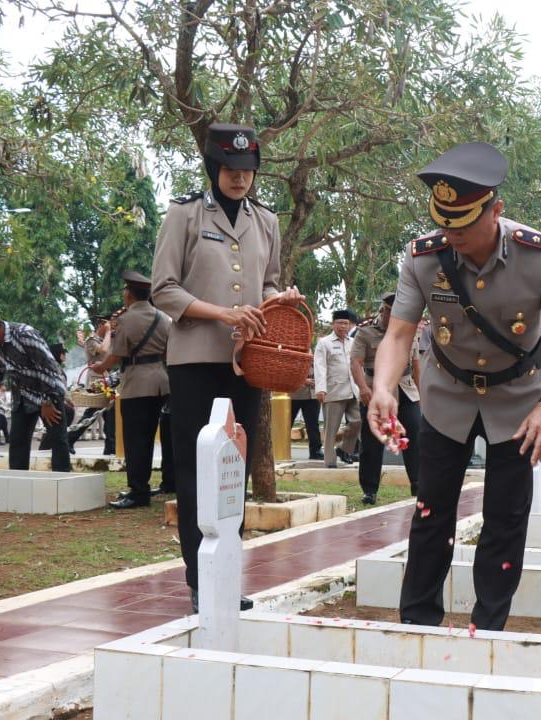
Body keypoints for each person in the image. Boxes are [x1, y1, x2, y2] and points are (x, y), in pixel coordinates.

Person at [366, 142, 541, 631]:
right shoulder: (423, 257)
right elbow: (399, 333)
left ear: (496, 210)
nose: (452, 235)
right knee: (431, 513)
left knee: (505, 520)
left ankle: (489, 627)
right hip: (448, 396)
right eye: (445, 222)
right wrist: (383, 388)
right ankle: (417, 622)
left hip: (520, 403)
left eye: (463, 224)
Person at [151, 122, 302, 612]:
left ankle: (224, 578)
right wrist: (222, 313)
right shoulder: (185, 214)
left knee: (232, 474)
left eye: (248, 171)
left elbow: (269, 284)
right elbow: (164, 289)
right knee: (198, 473)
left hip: (246, 365)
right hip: (195, 360)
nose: (240, 180)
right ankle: (200, 581)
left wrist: (282, 299)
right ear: (215, 168)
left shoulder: (266, 222)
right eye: (231, 170)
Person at [90, 271, 176, 509]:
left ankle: (139, 492)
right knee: (161, 436)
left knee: (136, 439)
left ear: (129, 293)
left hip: (138, 383)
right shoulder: (163, 318)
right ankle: (167, 482)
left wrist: (100, 367)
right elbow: (169, 352)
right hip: (162, 380)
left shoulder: (126, 320)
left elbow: (116, 355)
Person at [0, 309, 70, 471]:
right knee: (17, 442)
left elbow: (49, 368)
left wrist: (47, 401)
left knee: (58, 440)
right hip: (23, 395)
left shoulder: (24, 334)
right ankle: (18, 484)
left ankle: (62, 484)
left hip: (50, 391)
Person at [351, 292, 422, 503]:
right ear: (383, 310)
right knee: (372, 442)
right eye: (390, 311)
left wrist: (421, 394)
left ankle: (418, 485)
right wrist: (363, 389)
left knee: (415, 437)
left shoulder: (410, 333)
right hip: (375, 392)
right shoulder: (365, 333)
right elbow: (356, 363)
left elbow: (416, 365)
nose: (393, 316)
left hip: (406, 390)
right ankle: (369, 490)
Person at [314, 310, 361, 468]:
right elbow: (320, 366)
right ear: (333, 324)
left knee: (358, 421)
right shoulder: (324, 342)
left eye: (346, 323)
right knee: (331, 429)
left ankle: (344, 449)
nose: (343, 326)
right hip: (333, 390)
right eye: (340, 323)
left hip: (353, 389)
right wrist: (320, 388)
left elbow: (357, 365)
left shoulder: (353, 342)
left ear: (350, 325)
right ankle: (330, 462)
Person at [69, 318, 116, 454]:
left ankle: (110, 446)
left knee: (109, 413)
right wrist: (108, 332)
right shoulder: (92, 340)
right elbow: (103, 350)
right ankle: (69, 439)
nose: (110, 327)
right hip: (96, 378)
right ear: (100, 325)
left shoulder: (106, 339)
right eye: (107, 324)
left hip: (107, 377)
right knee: (93, 412)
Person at [288, 368, 323, 461]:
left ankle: (316, 451)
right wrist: (303, 380)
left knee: (313, 425)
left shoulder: (317, 353)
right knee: (286, 425)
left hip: (312, 395)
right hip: (294, 395)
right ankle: (281, 450)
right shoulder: (293, 353)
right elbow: (287, 371)